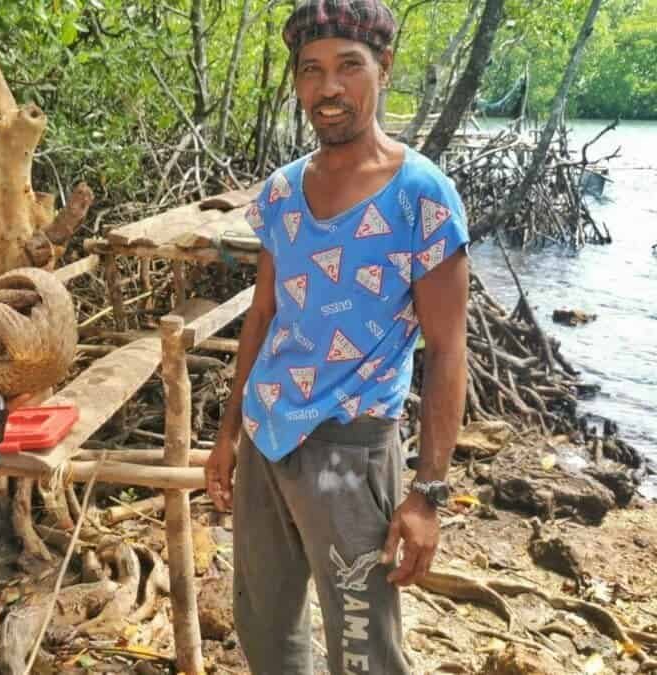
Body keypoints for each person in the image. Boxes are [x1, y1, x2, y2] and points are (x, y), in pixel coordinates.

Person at [204, 1, 470, 673]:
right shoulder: (281, 193)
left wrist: (428, 493)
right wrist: (227, 435)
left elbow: (447, 350)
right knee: (266, 632)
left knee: (363, 649)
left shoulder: (422, 196)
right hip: (267, 436)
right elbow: (263, 316)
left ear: (385, 68)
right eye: (311, 70)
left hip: (351, 448)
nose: (329, 88)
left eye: (349, 66)